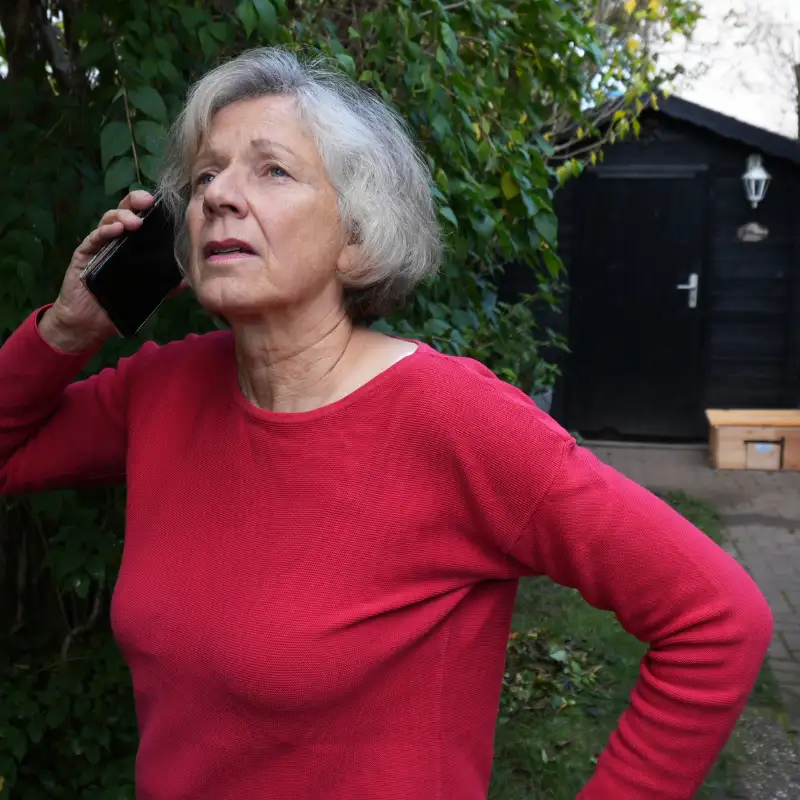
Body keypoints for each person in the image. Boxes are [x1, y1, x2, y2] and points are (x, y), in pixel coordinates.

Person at [0, 46, 773, 800]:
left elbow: (717, 621)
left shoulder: (457, 420)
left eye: (272, 170)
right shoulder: (162, 390)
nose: (218, 196)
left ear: (357, 238)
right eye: (206, 174)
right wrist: (67, 329)